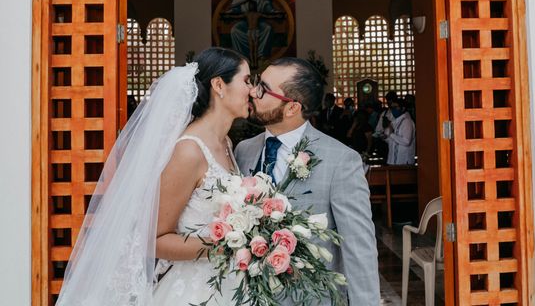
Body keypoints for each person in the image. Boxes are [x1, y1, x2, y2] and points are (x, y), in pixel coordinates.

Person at [56, 47, 252, 306]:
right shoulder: (189, 151)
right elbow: (155, 240)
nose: (252, 89)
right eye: (247, 80)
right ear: (219, 85)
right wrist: (225, 245)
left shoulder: (225, 142)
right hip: (194, 291)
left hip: (230, 283)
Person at [235, 58, 380, 305]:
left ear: (292, 108)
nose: (253, 92)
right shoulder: (243, 150)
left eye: (263, 88)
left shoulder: (341, 161)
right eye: (256, 83)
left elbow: (359, 249)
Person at [382, 97, 416, 165]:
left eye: (395, 107)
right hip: (394, 159)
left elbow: (406, 141)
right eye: (392, 107)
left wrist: (391, 134)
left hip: (403, 160)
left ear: (403, 108)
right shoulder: (395, 121)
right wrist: (386, 137)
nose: (393, 110)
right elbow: (393, 140)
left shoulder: (407, 121)